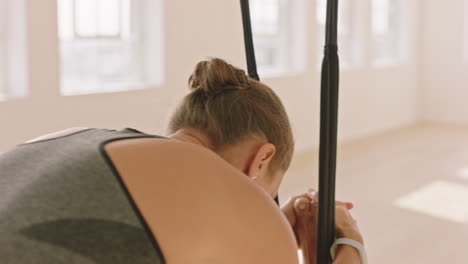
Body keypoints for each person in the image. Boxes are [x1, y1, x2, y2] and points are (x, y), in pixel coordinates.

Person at [0, 58, 364, 263]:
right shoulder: (236, 201)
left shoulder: (69, 137)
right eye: (267, 193)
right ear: (262, 158)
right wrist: (350, 247)